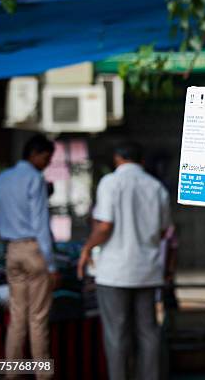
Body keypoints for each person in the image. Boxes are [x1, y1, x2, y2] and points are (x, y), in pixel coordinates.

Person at [77, 142, 171, 380]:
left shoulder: (110, 182)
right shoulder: (156, 186)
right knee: (148, 333)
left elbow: (105, 225)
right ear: (141, 161)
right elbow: (163, 231)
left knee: (116, 335)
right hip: (147, 271)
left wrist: (87, 248)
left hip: (115, 273)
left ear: (117, 158)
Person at [0, 134, 58, 378]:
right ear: (34, 153)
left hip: (12, 250)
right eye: (46, 158)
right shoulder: (34, 178)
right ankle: (42, 375)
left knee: (17, 317)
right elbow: (40, 223)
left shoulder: (3, 178)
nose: (47, 163)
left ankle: (12, 374)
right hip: (33, 250)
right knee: (38, 318)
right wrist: (51, 265)